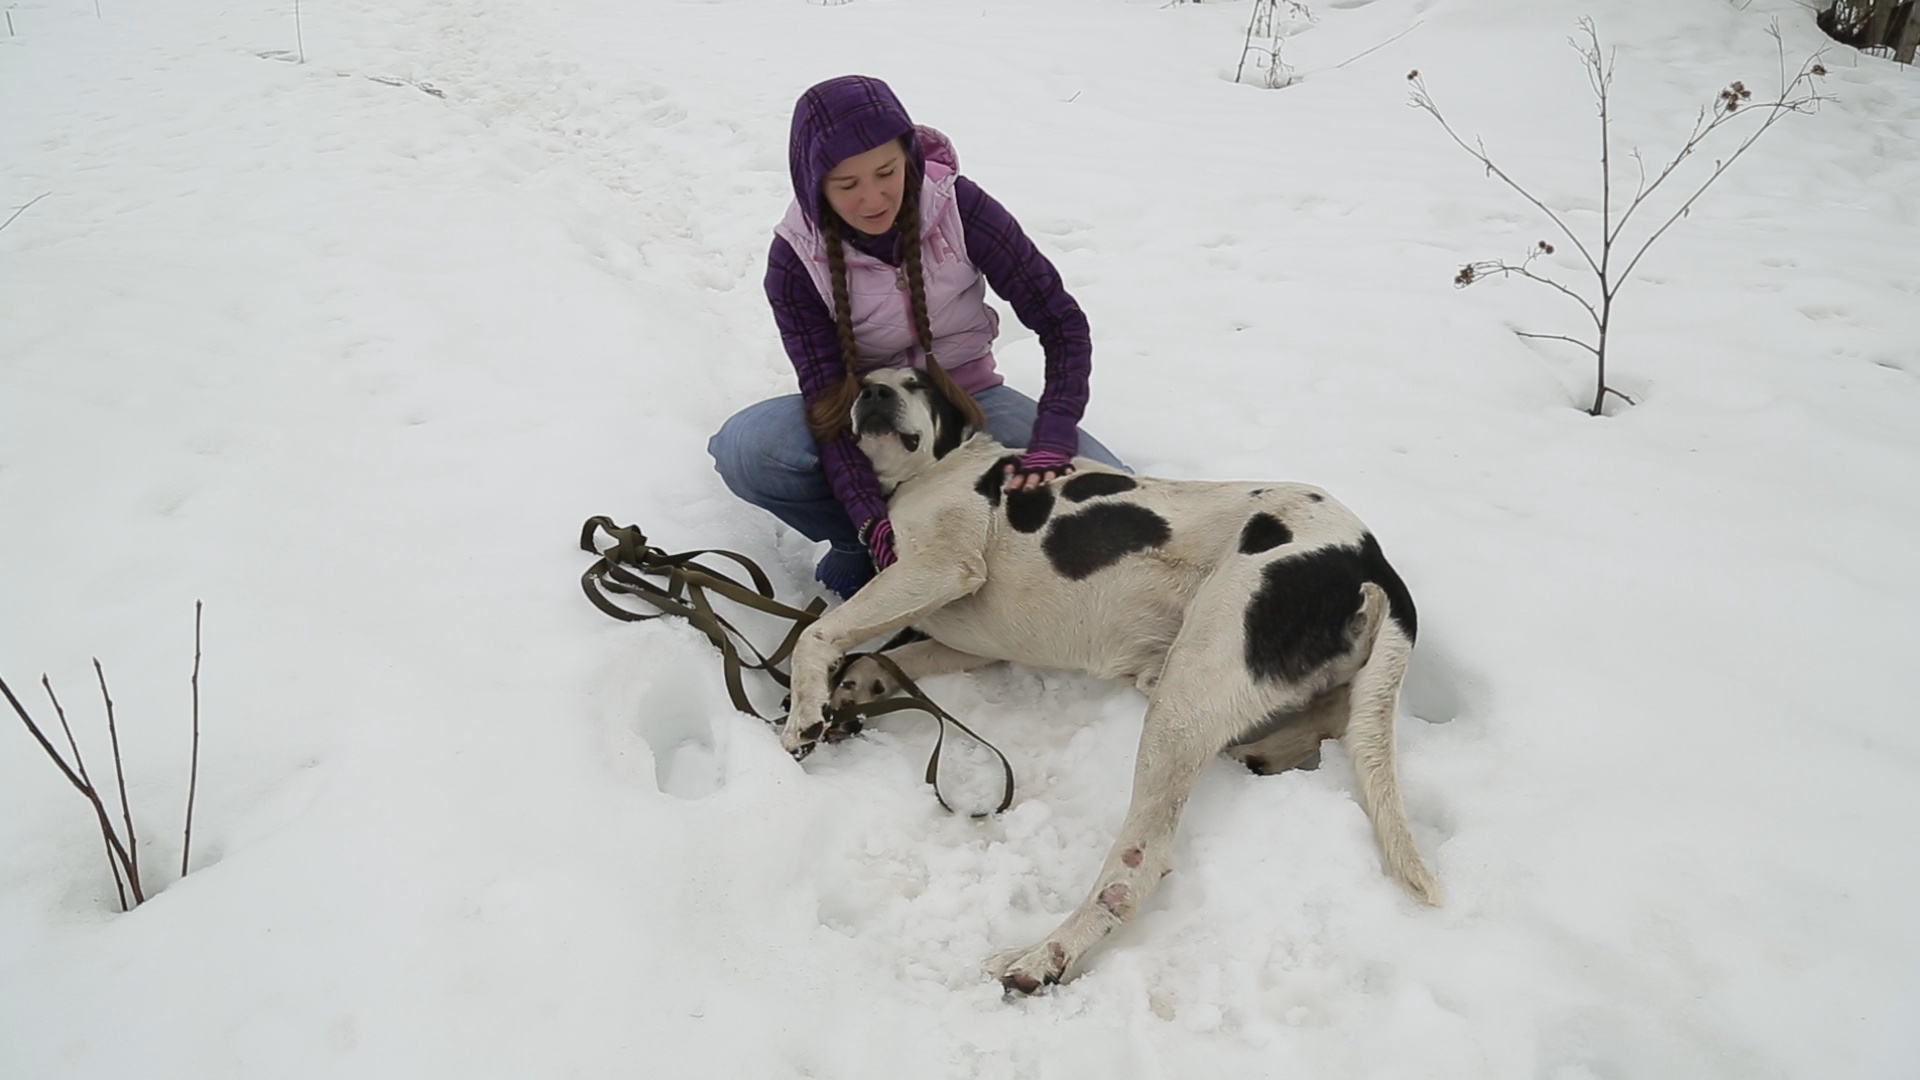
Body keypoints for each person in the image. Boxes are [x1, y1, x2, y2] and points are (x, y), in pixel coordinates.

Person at [708, 75, 1126, 598]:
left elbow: (1060, 321)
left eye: (886, 172)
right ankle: (864, 545)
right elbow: (828, 401)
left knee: (1113, 487)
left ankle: (993, 552)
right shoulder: (795, 260)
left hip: (968, 396)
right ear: (815, 186)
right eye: (847, 184)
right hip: (864, 407)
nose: (872, 197)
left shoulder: (961, 209)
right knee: (751, 449)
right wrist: (867, 524)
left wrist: (1054, 436)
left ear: (907, 154)